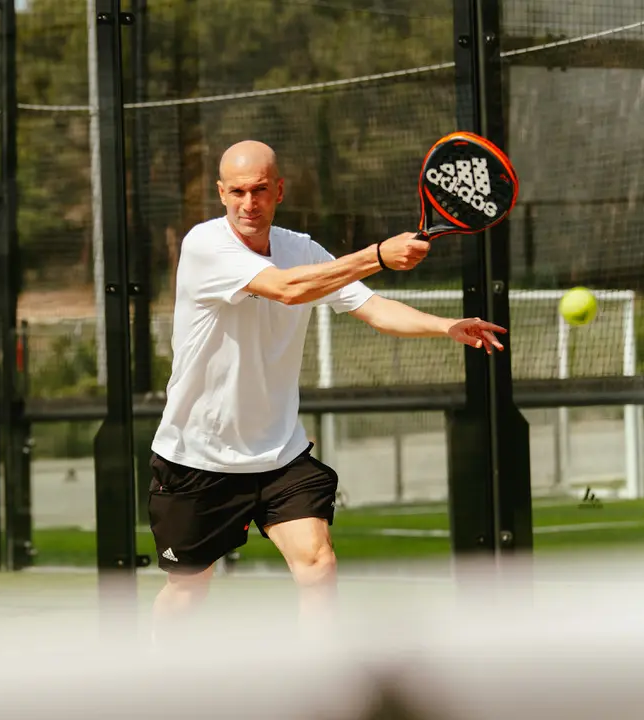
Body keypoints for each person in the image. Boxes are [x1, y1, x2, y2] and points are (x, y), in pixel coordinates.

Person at [147, 140, 506, 644]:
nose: (249, 204)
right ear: (221, 193)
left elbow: (374, 309)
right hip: (196, 457)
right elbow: (289, 288)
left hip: (278, 454)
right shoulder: (205, 246)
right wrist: (378, 254)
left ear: (279, 191)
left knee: (317, 563)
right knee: (188, 590)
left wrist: (445, 326)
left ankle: (320, 684)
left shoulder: (303, 248)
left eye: (260, 191)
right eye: (238, 192)